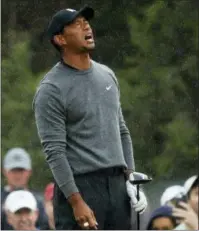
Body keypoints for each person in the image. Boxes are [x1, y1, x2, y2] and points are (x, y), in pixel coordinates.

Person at [33, 5, 147, 230]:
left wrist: (130, 178)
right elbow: (55, 153)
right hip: (81, 187)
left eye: (86, 21)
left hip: (116, 185)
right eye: (76, 24)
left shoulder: (107, 75)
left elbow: (121, 131)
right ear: (60, 39)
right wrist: (76, 201)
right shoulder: (51, 89)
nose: (86, 26)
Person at [1, 147, 48, 230]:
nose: (18, 175)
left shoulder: (39, 201)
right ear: (4, 171)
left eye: (21, 170)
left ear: (29, 172)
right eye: (13, 170)